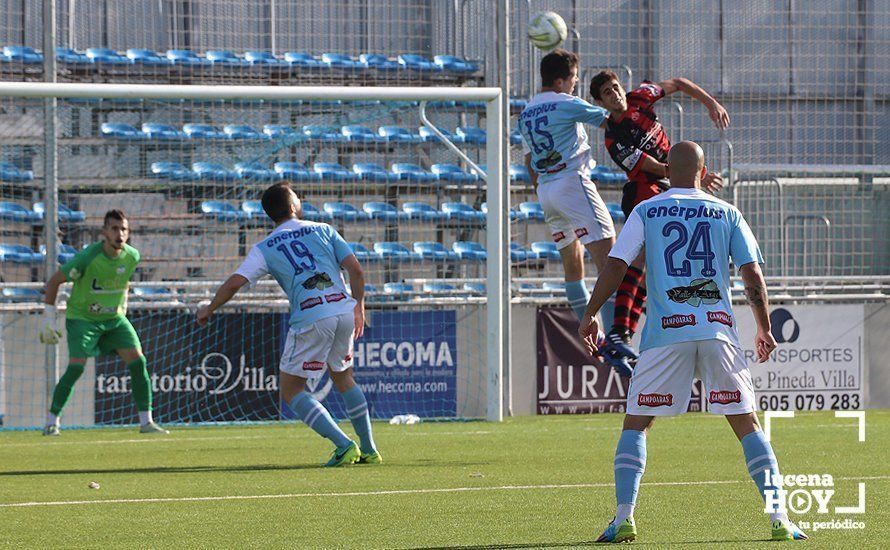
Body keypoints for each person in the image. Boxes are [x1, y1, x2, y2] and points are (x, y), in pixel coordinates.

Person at [578, 142, 808, 543]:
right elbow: (752, 275)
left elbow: (616, 264)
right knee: (748, 425)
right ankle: (780, 518)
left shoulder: (646, 211)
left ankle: (623, 518)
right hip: (718, 331)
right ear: (704, 172)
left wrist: (590, 313)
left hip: (666, 334)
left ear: (667, 171)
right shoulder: (727, 212)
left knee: (637, 424)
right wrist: (764, 327)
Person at [196, 183, 379, 467]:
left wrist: (210, 307)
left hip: (311, 316)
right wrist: (359, 306)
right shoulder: (323, 228)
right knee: (344, 377)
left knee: (292, 390)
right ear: (293, 206)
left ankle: (344, 445)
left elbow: (235, 283)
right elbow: (355, 269)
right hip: (343, 311)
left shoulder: (265, 247)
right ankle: (369, 448)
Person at [588, 70, 730, 369]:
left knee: (650, 262)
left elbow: (678, 83)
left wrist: (710, 103)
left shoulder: (640, 97)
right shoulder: (614, 138)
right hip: (645, 190)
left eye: (615, 88)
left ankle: (622, 332)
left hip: (668, 186)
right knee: (640, 259)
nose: (614, 94)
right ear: (601, 101)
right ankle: (618, 331)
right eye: (607, 93)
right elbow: (652, 167)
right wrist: (694, 175)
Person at [518, 49, 627, 374]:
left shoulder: (526, 113)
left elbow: (528, 162)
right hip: (572, 183)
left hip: (547, 192)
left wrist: (544, 188)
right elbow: (612, 119)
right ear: (562, 79)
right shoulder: (565, 102)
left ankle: (591, 333)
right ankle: (615, 338)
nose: (576, 85)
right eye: (575, 79)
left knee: (572, 266)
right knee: (612, 260)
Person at [39, 209, 167, 435]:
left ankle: (146, 422)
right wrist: (49, 318)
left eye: (124, 229)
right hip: (83, 319)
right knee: (76, 367)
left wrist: (118, 308)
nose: (120, 233)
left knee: (138, 362)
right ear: (104, 232)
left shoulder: (132, 256)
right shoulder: (89, 257)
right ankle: (52, 422)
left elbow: (121, 283)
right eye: (115, 228)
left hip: (115, 319)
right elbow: (54, 281)